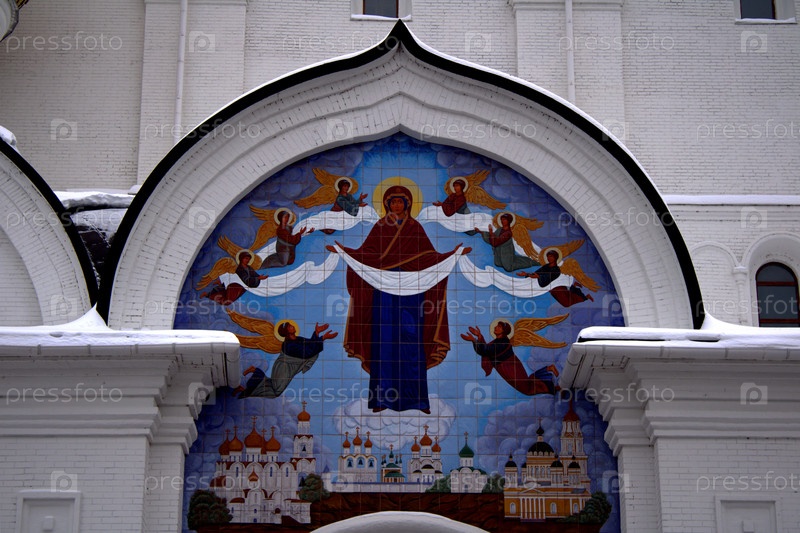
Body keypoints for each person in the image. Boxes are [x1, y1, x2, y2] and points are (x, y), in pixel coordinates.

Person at [326, 185, 470, 413]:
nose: (396, 205)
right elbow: (367, 255)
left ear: (407, 204)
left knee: (412, 343)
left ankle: (418, 400)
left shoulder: (415, 228)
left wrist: (452, 255)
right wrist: (345, 252)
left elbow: (429, 258)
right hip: (383, 293)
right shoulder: (380, 227)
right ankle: (380, 400)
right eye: (392, 201)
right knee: (383, 342)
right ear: (386, 204)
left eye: (400, 201)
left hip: (413, 294)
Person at [233, 322, 337, 398]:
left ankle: (247, 384)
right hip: (283, 368)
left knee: (272, 387)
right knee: (276, 391)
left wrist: (317, 333)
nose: (293, 326)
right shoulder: (288, 345)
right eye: (290, 326)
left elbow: (310, 344)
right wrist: (323, 338)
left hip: (288, 368)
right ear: (287, 332)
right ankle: (253, 374)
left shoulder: (298, 339)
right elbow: (307, 352)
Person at [461, 321, 559, 396]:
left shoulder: (502, 342)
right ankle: (550, 376)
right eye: (496, 326)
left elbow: (485, 350)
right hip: (506, 367)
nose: (495, 327)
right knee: (527, 385)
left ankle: (550, 375)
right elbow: (486, 349)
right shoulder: (497, 341)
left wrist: (474, 340)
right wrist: (479, 336)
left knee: (527, 388)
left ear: (504, 331)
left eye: (499, 327)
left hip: (509, 367)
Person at [517, 250, 594, 307]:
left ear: (555, 257)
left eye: (551, 256)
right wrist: (526, 274)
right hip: (552, 290)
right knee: (567, 300)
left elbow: (547, 279)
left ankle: (582, 294)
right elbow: (537, 273)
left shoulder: (556, 270)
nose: (549, 258)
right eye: (548, 256)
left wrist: (538, 276)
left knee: (566, 303)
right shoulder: (546, 266)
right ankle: (575, 288)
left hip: (557, 288)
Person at [474, 213, 539, 272]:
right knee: (498, 263)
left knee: (508, 268)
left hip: (506, 254)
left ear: (509, 221)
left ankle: (530, 262)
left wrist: (491, 231)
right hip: (499, 254)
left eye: (504, 220)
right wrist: (480, 232)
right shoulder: (499, 230)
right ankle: (518, 259)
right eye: (502, 219)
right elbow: (491, 238)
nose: (502, 221)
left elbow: (495, 242)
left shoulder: (508, 233)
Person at [201, 251, 267, 305]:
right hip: (236, 286)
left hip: (242, 287)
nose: (248, 260)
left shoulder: (249, 268)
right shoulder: (239, 269)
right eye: (246, 258)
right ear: (241, 259)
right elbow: (245, 279)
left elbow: (254, 275)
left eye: (249, 259)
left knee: (225, 295)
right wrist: (258, 278)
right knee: (227, 301)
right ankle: (208, 295)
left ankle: (213, 291)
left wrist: (259, 277)